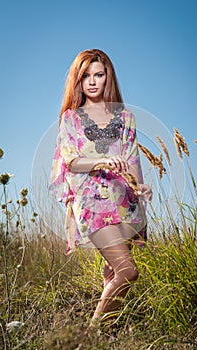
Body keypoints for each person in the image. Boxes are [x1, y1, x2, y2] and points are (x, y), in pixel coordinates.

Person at [49, 49, 152, 325]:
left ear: (109, 77)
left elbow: (131, 158)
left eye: (99, 75)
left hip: (124, 202)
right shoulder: (71, 118)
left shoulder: (126, 117)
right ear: (78, 81)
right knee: (128, 271)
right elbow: (71, 161)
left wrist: (140, 187)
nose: (93, 82)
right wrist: (102, 160)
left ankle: (108, 335)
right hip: (92, 204)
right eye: (86, 76)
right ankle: (90, 336)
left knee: (112, 274)